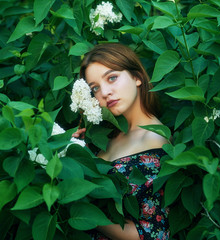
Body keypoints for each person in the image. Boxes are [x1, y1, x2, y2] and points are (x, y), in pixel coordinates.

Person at [73, 43, 170, 240]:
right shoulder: (106, 136)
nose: (105, 92)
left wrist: (86, 213)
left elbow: (153, 234)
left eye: (112, 78)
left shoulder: (155, 141)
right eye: (95, 88)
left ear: (137, 77)